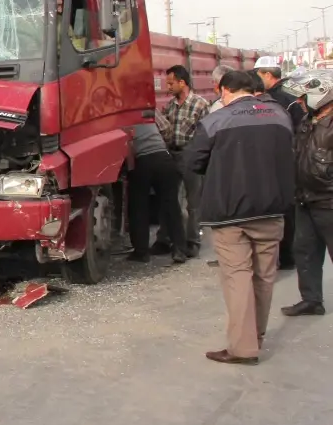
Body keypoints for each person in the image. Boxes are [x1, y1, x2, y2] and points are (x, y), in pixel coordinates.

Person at [186, 70, 295, 364]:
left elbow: (193, 162)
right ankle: (255, 337)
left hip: (230, 213)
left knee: (238, 277)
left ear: (224, 90)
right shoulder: (280, 117)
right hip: (273, 209)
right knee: (264, 277)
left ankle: (243, 348)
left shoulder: (215, 120)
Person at [281, 71, 333, 317]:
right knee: (305, 251)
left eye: (304, 97)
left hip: (328, 200)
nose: (300, 102)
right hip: (305, 198)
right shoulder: (306, 121)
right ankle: (311, 300)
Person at [255, 56, 305, 269]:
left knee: (285, 208)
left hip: (284, 158)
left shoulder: (281, 99)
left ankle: (287, 255)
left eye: (258, 77)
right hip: (289, 157)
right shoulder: (289, 95)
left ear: (267, 75)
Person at [156, 65, 209, 257]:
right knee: (169, 199)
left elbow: (206, 135)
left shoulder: (200, 105)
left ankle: (192, 240)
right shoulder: (170, 106)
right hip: (172, 155)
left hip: (191, 156)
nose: (167, 87)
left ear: (182, 82)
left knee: (193, 202)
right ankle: (165, 239)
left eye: (171, 83)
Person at [126, 123, 187, 264]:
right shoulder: (148, 112)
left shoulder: (122, 115)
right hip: (163, 158)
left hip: (141, 161)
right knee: (171, 206)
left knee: (139, 207)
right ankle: (179, 250)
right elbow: (167, 128)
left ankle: (141, 252)